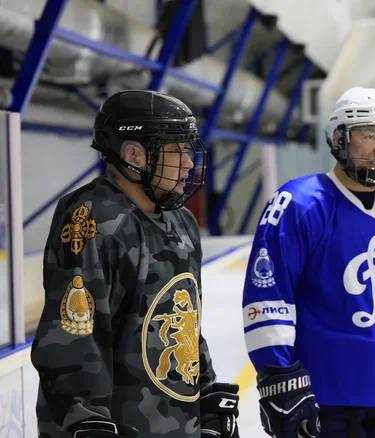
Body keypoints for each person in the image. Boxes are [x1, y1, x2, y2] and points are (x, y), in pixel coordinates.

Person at [241, 87, 375, 437]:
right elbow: (269, 299)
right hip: (322, 397)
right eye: (370, 135)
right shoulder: (299, 204)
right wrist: (278, 375)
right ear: (339, 139)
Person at [31, 89, 240, 438]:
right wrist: (87, 420)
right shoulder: (93, 218)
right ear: (134, 156)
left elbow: (186, 323)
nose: (188, 163)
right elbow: (74, 335)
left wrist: (205, 395)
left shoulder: (183, 222)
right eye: (176, 150)